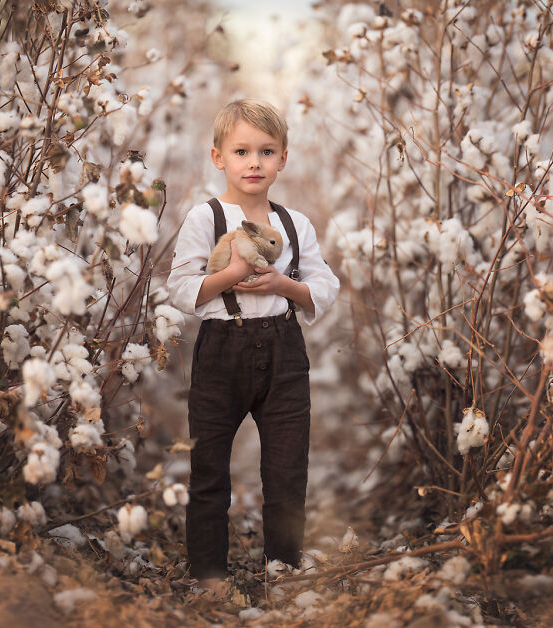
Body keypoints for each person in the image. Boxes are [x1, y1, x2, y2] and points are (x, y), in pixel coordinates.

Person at [166, 99, 340, 584]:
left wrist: (282, 285)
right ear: (218, 157)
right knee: (209, 470)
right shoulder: (207, 218)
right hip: (223, 349)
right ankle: (208, 574)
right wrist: (237, 273)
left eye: (266, 152)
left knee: (286, 473)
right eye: (241, 151)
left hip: (284, 354)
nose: (254, 163)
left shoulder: (294, 224)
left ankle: (282, 568)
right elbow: (181, 289)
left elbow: (324, 286)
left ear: (283, 158)